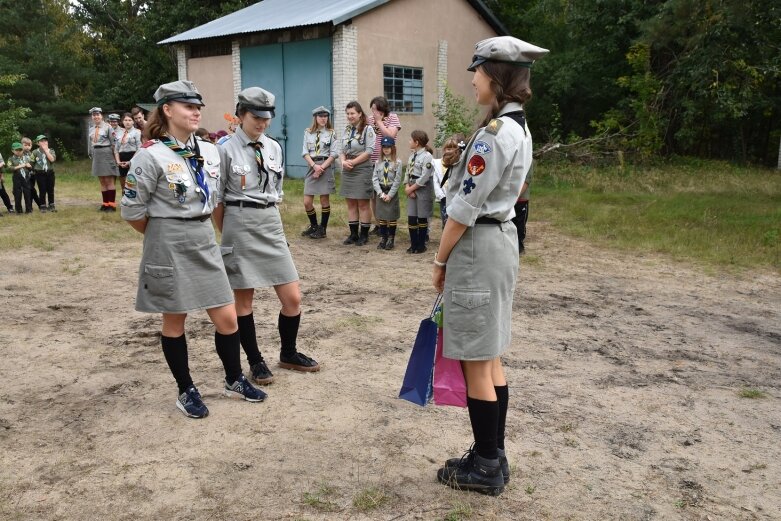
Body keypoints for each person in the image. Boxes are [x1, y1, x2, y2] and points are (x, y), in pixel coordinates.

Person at [433, 36, 548, 496]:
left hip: (479, 246)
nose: (474, 79)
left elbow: (463, 208)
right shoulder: (515, 127)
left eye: (477, 71)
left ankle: (484, 467)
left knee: (476, 363)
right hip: (498, 240)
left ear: (495, 76)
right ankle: (493, 455)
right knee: (491, 358)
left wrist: (440, 260)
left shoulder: (496, 133)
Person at [121, 79, 266, 419]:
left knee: (227, 317)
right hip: (168, 242)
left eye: (198, 106)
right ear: (167, 110)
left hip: (204, 239)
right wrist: (162, 234)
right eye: (188, 106)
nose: (196, 111)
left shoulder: (210, 150)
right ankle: (185, 389)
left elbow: (214, 197)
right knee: (175, 319)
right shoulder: (150, 156)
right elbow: (132, 212)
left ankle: (233, 379)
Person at [214, 86, 320, 382]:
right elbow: (217, 200)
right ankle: (256, 360)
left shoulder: (273, 147)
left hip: (270, 221)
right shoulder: (223, 149)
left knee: (293, 298)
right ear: (240, 115)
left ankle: (288, 352)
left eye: (266, 117)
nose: (261, 123)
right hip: (239, 220)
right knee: (244, 302)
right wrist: (230, 234)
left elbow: (275, 191)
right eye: (255, 117)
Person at [339, 101, 376, 246]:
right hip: (348, 169)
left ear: (360, 113)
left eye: (352, 113)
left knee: (363, 203)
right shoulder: (347, 130)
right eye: (348, 113)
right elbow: (341, 150)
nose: (350, 116)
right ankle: (353, 234)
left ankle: (364, 235)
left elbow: (369, 152)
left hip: (361, 169)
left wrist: (353, 163)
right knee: (351, 203)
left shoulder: (368, 130)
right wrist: (343, 162)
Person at [300, 106, 338, 239]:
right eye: (320, 116)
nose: (323, 119)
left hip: (325, 166)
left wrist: (321, 168)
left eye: (325, 116)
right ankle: (314, 226)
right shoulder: (308, 132)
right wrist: (314, 166)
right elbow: (305, 152)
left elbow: (334, 154)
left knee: (324, 199)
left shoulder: (331, 133)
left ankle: (323, 229)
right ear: (315, 117)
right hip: (312, 165)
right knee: (307, 201)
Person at [368, 96, 401, 233]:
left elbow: (390, 136)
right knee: (375, 195)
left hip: (387, 162)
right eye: (372, 109)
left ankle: (389, 223)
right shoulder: (369, 120)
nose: (374, 112)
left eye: (376, 109)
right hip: (372, 162)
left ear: (383, 109)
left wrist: (379, 122)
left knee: (389, 193)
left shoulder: (393, 117)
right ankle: (379, 224)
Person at [404, 130, 435, 254]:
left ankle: (421, 245)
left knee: (422, 218)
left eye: (411, 140)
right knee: (412, 217)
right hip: (412, 187)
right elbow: (407, 171)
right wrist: (407, 186)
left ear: (416, 142)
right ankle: (413, 244)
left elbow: (425, 176)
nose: (409, 141)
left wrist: (411, 189)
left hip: (423, 189)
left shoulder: (427, 156)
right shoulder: (412, 155)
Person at [371, 136, 403, 250]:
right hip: (381, 191)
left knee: (392, 216)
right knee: (382, 217)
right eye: (384, 147)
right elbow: (374, 179)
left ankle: (391, 239)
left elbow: (397, 180)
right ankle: (383, 238)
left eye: (388, 147)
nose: (386, 149)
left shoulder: (397, 163)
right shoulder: (378, 162)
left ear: (393, 148)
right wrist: (380, 193)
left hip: (391, 192)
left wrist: (390, 195)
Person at [88, 107, 119, 211]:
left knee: (109, 180)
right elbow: (91, 143)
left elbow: (114, 143)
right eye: (94, 115)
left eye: (98, 114)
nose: (96, 116)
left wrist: (115, 158)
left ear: (102, 116)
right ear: (92, 117)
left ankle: (112, 205)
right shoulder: (91, 129)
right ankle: (105, 204)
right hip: (96, 154)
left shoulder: (108, 127)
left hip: (106, 153)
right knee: (102, 181)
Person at [433, 134, 467, 230]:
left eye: (453, 148)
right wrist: (441, 195)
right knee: (446, 221)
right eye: (448, 148)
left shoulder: (461, 164)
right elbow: (436, 182)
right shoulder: (439, 164)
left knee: (456, 224)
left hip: (458, 198)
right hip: (444, 198)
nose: (450, 151)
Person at [114, 113, 141, 190]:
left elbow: (139, 148)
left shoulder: (137, 132)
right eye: (125, 120)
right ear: (122, 121)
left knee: (132, 182)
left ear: (133, 122)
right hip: (121, 159)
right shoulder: (118, 133)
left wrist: (130, 161)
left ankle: (133, 200)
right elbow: (116, 149)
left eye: (130, 120)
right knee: (123, 183)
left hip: (133, 157)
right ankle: (124, 200)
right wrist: (118, 162)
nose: (127, 122)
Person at [511, 161, 533, 254]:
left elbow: (527, 181)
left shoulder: (528, 159)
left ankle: (519, 246)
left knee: (520, 224)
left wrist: (515, 197)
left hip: (521, 199)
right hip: (508, 199)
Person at [32, 135, 57, 212]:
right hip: (40, 173)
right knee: (42, 189)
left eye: (45, 141)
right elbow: (31, 162)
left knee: (50, 189)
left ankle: (51, 204)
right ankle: (42, 205)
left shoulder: (51, 151)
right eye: (41, 141)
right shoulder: (35, 152)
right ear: (37, 143)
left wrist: (46, 151)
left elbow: (52, 159)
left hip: (50, 173)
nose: (44, 142)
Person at [21, 137, 44, 212]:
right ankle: (39, 205)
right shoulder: (20, 154)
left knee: (31, 190)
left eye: (29, 145)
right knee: (31, 190)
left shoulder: (32, 154)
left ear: (31, 146)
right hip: (24, 176)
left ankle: (32, 206)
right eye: (25, 145)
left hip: (32, 175)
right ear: (22, 145)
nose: (27, 147)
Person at [8, 142, 33, 214]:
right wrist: (20, 166)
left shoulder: (27, 157)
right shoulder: (11, 158)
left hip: (26, 176)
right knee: (17, 193)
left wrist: (30, 166)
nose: (19, 152)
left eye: (20, 150)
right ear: (12, 150)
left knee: (27, 193)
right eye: (17, 150)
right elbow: (9, 168)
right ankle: (18, 210)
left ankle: (28, 209)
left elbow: (31, 167)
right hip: (17, 177)